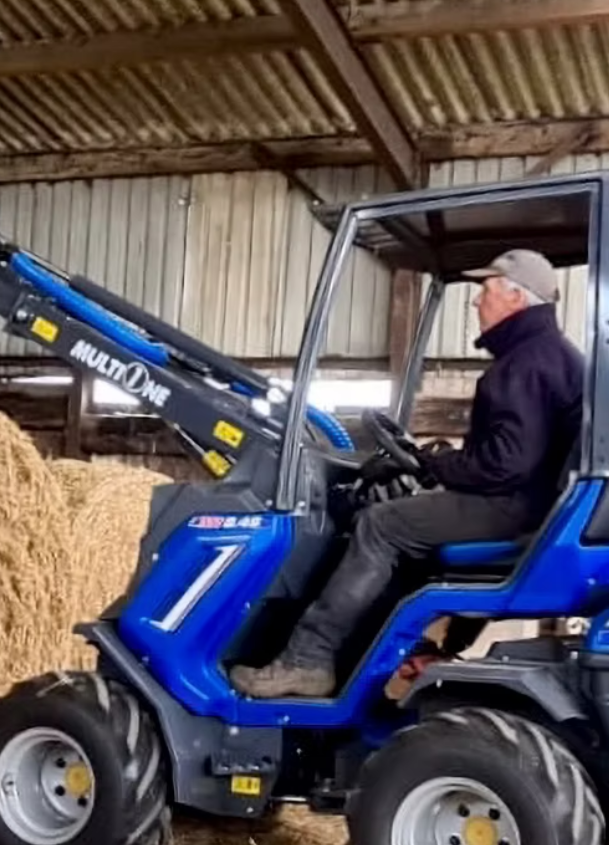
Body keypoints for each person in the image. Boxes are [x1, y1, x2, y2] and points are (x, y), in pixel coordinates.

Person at [231, 248, 585, 700]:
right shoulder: (551, 356)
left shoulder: (525, 364)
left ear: (516, 297)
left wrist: (433, 464)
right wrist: (432, 464)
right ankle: (374, 654)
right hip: (534, 503)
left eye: (486, 290)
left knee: (380, 525)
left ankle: (308, 659)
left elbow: (502, 466)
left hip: (514, 507)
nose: (477, 302)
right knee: (405, 523)